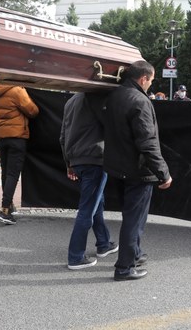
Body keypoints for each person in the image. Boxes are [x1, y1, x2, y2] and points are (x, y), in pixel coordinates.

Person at [103, 60, 172, 281]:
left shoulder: (115, 96)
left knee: (130, 216)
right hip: (138, 170)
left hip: (118, 167)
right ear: (144, 78)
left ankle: (136, 254)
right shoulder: (140, 102)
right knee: (134, 220)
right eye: (151, 80)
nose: (151, 84)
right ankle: (124, 267)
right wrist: (163, 172)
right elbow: (148, 142)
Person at [60, 92, 118, 270]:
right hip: (94, 158)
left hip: (77, 158)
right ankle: (75, 257)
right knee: (87, 209)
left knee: (95, 203)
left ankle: (104, 243)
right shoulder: (99, 98)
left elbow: (63, 135)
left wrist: (69, 163)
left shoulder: (71, 101)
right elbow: (112, 127)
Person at [0, 84, 39, 225]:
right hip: (16, 136)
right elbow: (33, 110)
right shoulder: (17, 90)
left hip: (1, 137)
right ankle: (5, 210)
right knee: (13, 174)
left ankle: (9, 206)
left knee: (5, 173)